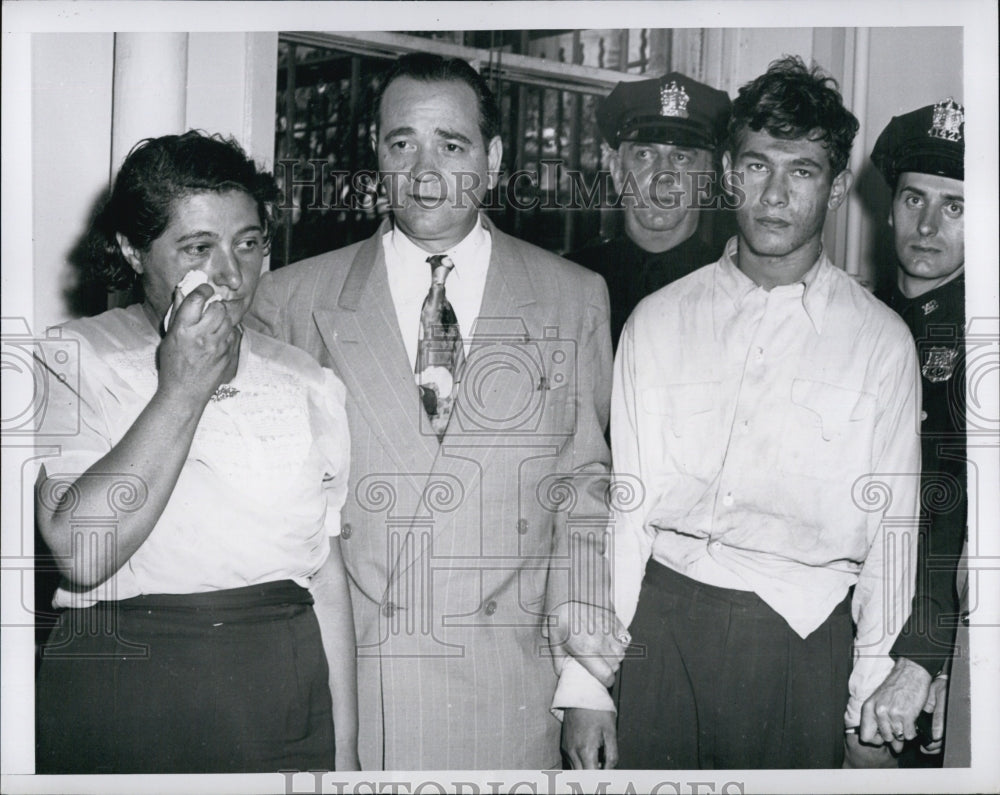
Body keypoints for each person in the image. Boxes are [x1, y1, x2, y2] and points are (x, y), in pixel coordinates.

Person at [248, 53, 619, 770]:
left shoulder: (573, 295)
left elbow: (583, 494)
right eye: (401, 143)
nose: (424, 171)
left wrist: (584, 678)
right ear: (376, 156)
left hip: (511, 688)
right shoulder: (292, 301)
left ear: (493, 158)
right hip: (353, 689)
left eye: (451, 145)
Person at [560, 56, 923, 770]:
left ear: (838, 185)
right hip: (658, 629)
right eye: (757, 166)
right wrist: (587, 682)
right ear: (730, 175)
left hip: (802, 634)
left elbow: (894, 535)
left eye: (803, 171)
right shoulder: (660, 321)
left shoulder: (881, 342)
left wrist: (868, 705)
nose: (776, 195)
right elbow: (624, 514)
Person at [33, 131, 358, 774]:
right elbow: (81, 552)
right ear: (132, 248)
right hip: (128, 696)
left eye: (249, 242)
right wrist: (182, 387)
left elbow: (324, 575)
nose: (233, 275)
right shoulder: (71, 357)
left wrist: (345, 755)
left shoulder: (308, 381)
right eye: (197, 248)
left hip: (282, 700)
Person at [860, 98, 967, 765]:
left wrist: (922, 651)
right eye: (914, 199)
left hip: (924, 639)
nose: (927, 225)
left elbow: (956, 503)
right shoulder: (861, 314)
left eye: (955, 206)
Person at [568, 73, 732, 350]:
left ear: (707, 180)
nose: (662, 175)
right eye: (645, 154)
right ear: (618, 173)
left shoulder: (736, 288)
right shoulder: (570, 281)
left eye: (681, 158)